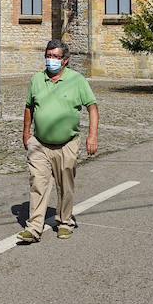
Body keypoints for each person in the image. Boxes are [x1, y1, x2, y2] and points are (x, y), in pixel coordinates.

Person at [17, 39, 98, 244]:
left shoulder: (77, 80)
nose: (50, 60)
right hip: (40, 143)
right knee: (38, 183)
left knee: (65, 185)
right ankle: (34, 228)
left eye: (55, 57)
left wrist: (92, 135)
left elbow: (92, 107)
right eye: (48, 55)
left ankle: (64, 222)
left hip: (67, 143)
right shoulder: (37, 79)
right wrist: (26, 133)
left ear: (65, 60)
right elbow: (29, 107)